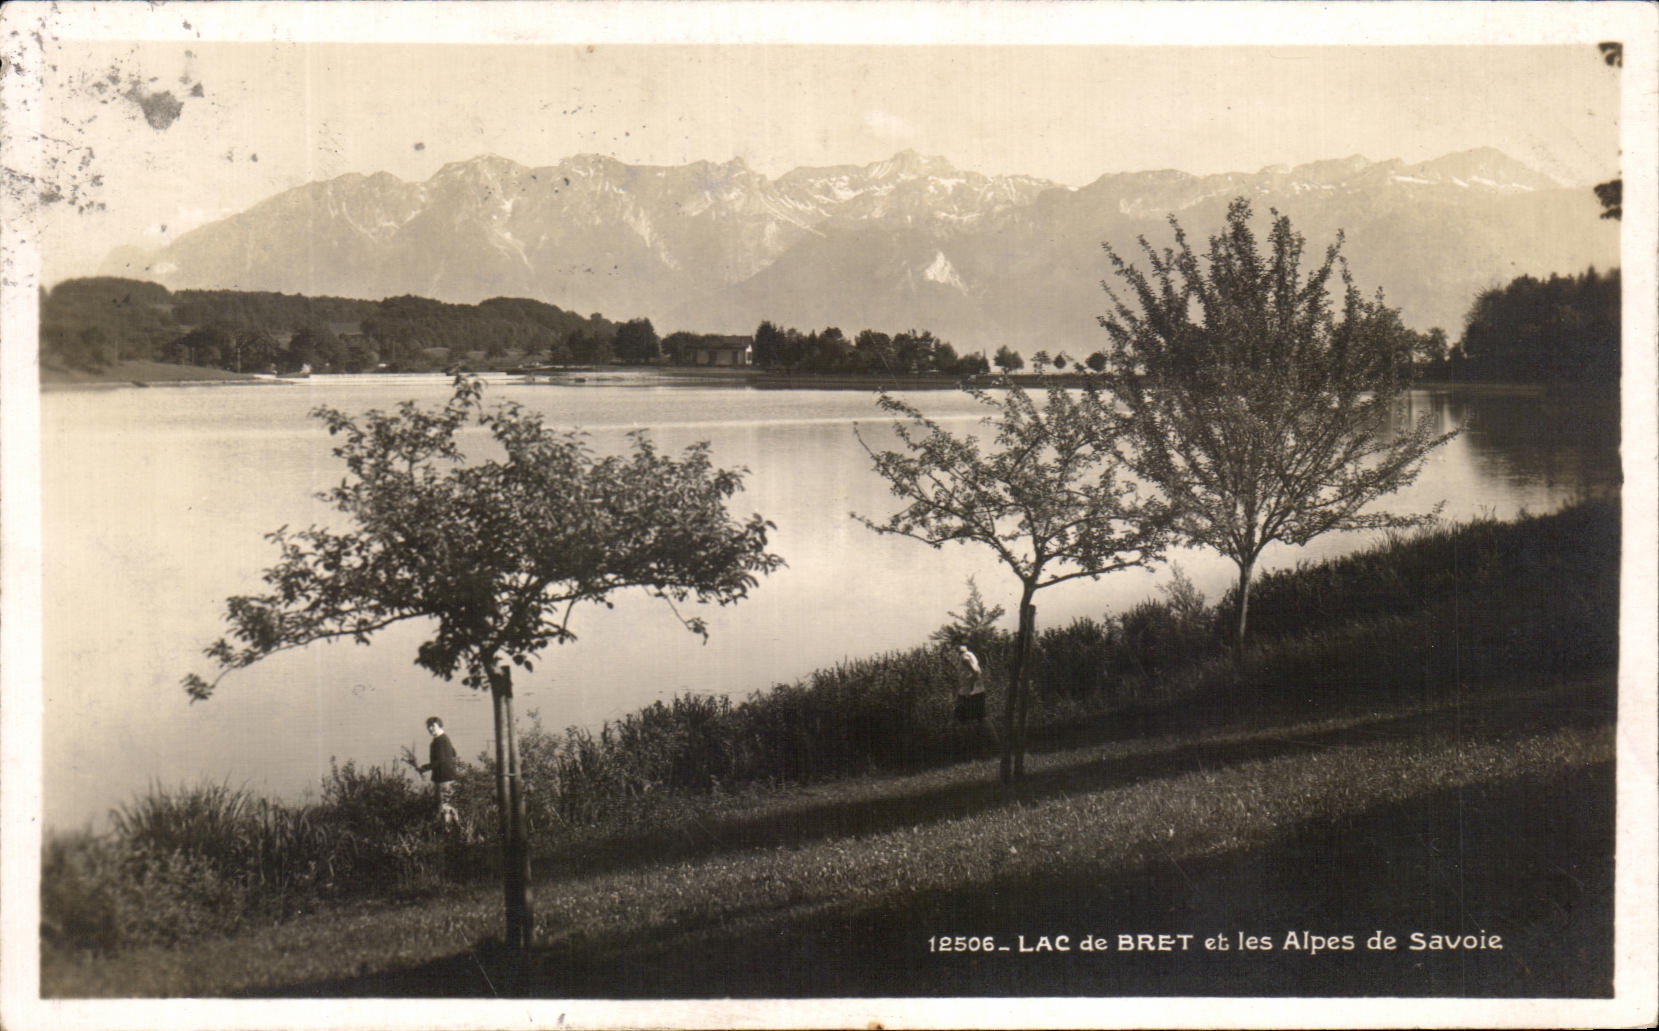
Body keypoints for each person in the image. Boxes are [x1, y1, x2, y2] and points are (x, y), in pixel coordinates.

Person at [418, 716, 461, 827]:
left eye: (433, 726)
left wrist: (424, 768)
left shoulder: (440, 741)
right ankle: (454, 828)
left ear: (439, 726)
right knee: (448, 805)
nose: (431, 729)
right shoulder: (443, 738)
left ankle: (447, 830)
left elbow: (440, 761)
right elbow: (453, 753)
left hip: (443, 778)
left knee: (443, 806)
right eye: (429, 726)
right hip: (448, 776)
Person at [953, 644, 987, 723]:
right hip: (978, 691)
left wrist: (970, 687)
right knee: (980, 718)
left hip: (968, 693)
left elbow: (976, 672)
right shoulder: (972, 656)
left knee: (961, 720)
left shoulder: (965, 658)